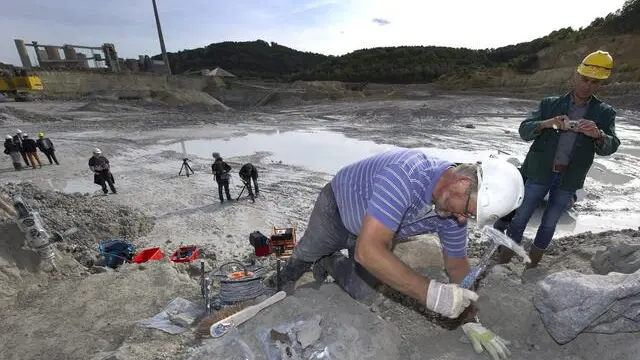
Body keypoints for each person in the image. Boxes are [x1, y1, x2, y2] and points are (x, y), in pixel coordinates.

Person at [271, 148, 525, 359]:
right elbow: (369, 252)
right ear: (463, 183)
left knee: (365, 292)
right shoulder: (407, 174)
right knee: (305, 253)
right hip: (338, 208)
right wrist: (432, 294)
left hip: (376, 231)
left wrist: (469, 318)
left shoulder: (451, 212)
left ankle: (329, 260)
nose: (462, 219)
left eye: (469, 217)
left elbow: (457, 264)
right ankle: (285, 277)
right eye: (466, 211)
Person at [499, 50, 621, 269]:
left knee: (549, 224)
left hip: (569, 179)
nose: (588, 86)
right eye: (584, 79)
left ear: (600, 85)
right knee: (520, 218)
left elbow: (611, 145)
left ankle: (531, 266)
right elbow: (524, 131)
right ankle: (503, 262)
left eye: (595, 83)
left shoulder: (604, 113)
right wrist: (547, 123)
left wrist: (598, 135)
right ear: (575, 76)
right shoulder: (550, 104)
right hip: (539, 172)